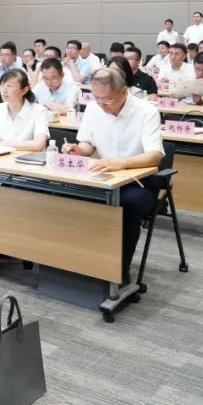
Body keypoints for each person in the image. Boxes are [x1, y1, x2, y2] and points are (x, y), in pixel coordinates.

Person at [63, 68, 164, 280]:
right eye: (96, 98)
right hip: (104, 177)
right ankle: (76, 261)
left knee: (126, 205)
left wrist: (120, 163)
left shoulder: (147, 112)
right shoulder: (93, 108)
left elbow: (154, 156)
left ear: (124, 91)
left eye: (107, 100)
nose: (101, 104)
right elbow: (87, 144)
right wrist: (78, 149)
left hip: (138, 181)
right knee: (67, 195)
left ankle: (118, 269)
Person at [0, 71, 50, 151]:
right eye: (2, 85)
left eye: (9, 86)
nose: (3, 90)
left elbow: (38, 144)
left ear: (24, 90)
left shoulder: (39, 111)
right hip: (4, 157)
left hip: (28, 158)